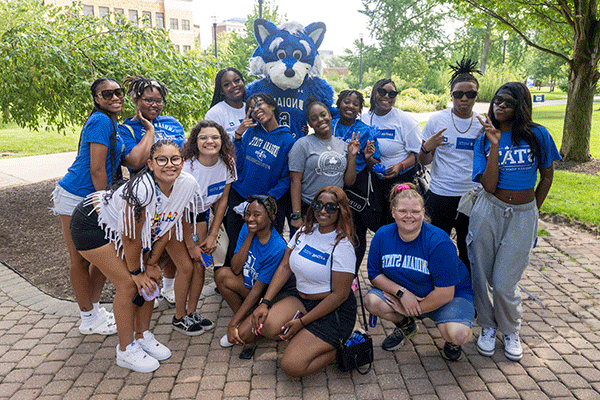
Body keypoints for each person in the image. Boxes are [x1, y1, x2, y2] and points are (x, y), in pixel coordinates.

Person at [69, 139, 201, 372]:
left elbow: (166, 226)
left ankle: (142, 336)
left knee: (152, 281)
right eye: (162, 159)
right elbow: (131, 238)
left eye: (175, 159)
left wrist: (151, 264)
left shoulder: (186, 184)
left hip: (127, 232)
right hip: (92, 225)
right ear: (150, 164)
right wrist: (137, 272)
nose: (169, 165)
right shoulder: (141, 190)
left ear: (182, 162)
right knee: (129, 285)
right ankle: (125, 349)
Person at [469, 82, 561, 361]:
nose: (501, 106)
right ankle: (487, 326)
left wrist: (533, 209)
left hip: (522, 214)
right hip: (489, 210)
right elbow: (488, 186)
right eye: (497, 100)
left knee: (505, 280)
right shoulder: (485, 138)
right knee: (481, 274)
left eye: (508, 102)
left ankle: (510, 330)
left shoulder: (538, 135)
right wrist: (495, 146)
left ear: (520, 106)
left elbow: (546, 175)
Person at [52, 77, 141, 336]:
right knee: (79, 259)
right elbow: (97, 168)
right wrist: (105, 205)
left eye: (119, 92)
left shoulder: (112, 123)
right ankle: (88, 318)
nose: (115, 97)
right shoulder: (101, 121)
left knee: (101, 258)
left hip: (93, 198)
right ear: (97, 99)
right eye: (107, 94)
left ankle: (91, 309)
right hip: (76, 196)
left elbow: (129, 160)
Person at [251, 186, 358, 377]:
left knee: (292, 366)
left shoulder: (343, 246)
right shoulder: (304, 231)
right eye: (318, 205)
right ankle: (306, 337)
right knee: (267, 326)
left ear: (340, 210)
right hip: (301, 299)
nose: (323, 211)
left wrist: (302, 323)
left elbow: (340, 295)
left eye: (331, 207)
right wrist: (265, 302)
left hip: (332, 310)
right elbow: (284, 267)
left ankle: (337, 350)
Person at [365, 183, 474, 361]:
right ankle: (406, 327)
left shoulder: (439, 241)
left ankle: (451, 341)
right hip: (408, 293)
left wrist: (409, 309)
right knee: (372, 301)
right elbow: (374, 274)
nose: (409, 216)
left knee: (458, 334)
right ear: (393, 212)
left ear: (423, 213)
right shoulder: (382, 235)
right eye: (402, 211)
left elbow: (445, 293)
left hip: (450, 296)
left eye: (415, 212)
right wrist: (402, 293)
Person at [418, 58, 484, 272]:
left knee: (469, 250)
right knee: (437, 247)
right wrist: (427, 147)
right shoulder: (437, 121)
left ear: (476, 95)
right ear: (451, 95)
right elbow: (423, 161)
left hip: (471, 197)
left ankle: (467, 296)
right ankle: (436, 291)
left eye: (470, 94)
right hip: (441, 194)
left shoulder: (482, 123)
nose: (464, 98)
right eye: (458, 94)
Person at [179, 120, 237, 329]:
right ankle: (180, 316)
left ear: (222, 140)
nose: (209, 141)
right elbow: (182, 209)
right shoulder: (187, 167)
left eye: (215, 137)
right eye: (203, 137)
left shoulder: (227, 162)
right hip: (176, 219)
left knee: (201, 264)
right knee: (186, 266)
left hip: (199, 217)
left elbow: (222, 202)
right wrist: (190, 244)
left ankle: (192, 312)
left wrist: (213, 235)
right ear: (195, 141)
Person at [225, 93, 296, 263]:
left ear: (272, 106)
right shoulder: (250, 132)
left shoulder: (288, 140)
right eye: (251, 108)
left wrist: (267, 200)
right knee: (234, 242)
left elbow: (286, 178)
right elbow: (239, 165)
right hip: (239, 195)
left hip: (264, 202)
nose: (255, 110)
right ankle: (229, 282)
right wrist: (238, 137)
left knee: (260, 247)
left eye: (259, 104)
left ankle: (257, 283)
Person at [214, 195, 288, 358]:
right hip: (249, 285)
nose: (250, 218)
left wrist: (231, 325)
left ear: (271, 217)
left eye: (256, 214)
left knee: (243, 335)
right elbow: (235, 267)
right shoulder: (247, 228)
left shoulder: (277, 247)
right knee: (222, 275)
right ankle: (244, 319)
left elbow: (257, 291)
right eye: (248, 214)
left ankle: (249, 328)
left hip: (265, 297)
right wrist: (249, 236)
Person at [288, 98, 360, 233]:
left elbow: (349, 182)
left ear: (330, 116)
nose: (320, 120)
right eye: (314, 118)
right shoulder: (302, 144)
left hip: (333, 210)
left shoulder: (343, 145)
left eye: (323, 115)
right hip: (309, 209)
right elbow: (295, 180)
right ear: (309, 123)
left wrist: (352, 156)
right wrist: (296, 215)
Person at [361, 79, 422, 226]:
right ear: (374, 92)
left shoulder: (405, 120)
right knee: (377, 223)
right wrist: (370, 160)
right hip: (374, 183)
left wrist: (400, 166)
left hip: (400, 182)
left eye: (392, 93)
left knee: (398, 223)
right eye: (382, 92)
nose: (387, 96)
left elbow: (417, 154)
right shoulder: (363, 119)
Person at [332, 89, 380, 269]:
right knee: (333, 228)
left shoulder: (365, 130)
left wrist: (368, 157)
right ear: (339, 104)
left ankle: (352, 273)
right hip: (332, 180)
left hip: (356, 186)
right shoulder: (330, 125)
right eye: (346, 101)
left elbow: (375, 163)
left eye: (355, 103)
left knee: (356, 232)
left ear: (360, 108)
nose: (350, 106)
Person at [121, 76, 186, 172]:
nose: (154, 105)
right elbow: (135, 163)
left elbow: (186, 153)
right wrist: (150, 130)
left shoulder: (172, 122)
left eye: (158, 101)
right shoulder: (125, 129)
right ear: (135, 100)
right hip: (147, 184)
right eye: (148, 100)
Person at [204, 68, 247, 141]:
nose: (234, 85)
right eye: (227, 84)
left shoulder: (252, 108)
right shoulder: (214, 114)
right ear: (221, 91)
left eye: (237, 81)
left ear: (243, 82)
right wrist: (237, 134)